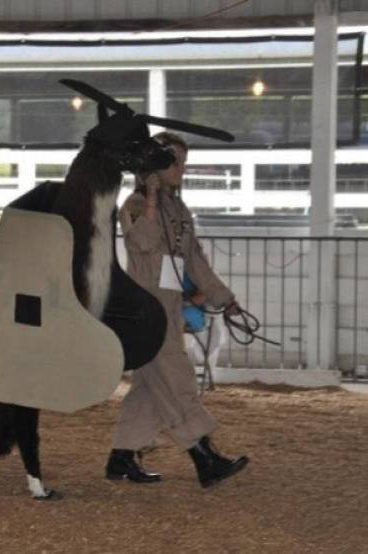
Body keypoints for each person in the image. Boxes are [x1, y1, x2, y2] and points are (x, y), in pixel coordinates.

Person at [106, 131, 249, 488]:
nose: (182, 169)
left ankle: (121, 457)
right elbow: (141, 243)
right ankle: (204, 457)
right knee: (176, 380)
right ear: (155, 165)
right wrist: (151, 198)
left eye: (184, 162)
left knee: (149, 386)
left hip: (170, 306)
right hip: (146, 310)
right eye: (176, 162)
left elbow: (194, 261)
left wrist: (224, 299)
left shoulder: (179, 209)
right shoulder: (135, 205)